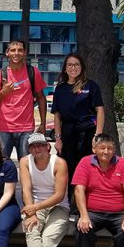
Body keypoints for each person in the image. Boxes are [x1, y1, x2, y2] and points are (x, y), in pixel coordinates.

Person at [11, 133, 70, 247]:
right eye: (33, 146)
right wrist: (32, 213)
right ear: (29, 149)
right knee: (32, 229)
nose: (37, 148)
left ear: (47, 146)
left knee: (49, 236)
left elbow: (59, 195)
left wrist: (34, 208)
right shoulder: (25, 161)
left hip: (58, 206)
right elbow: (26, 189)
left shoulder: (59, 163)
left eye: (40, 145)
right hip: (34, 205)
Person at [51, 52, 104, 206]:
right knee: (68, 169)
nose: (73, 68)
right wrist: (58, 139)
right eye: (70, 65)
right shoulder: (60, 89)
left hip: (87, 132)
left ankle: (87, 204)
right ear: (65, 68)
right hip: (68, 133)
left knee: (88, 169)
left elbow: (100, 110)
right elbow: (57, 115)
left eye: (76, 65)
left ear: (82, 67)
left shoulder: (91, 85)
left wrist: (97, 136)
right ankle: (69, 204)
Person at [0, 40, 48, 160]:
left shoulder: (33, 72)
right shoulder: (0, 74)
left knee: (27, 166)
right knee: (1, 166)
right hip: (3, 129)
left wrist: (43, 123)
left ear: (25, 53)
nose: (16, 53)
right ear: (7, 53)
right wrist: (3, 92)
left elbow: (41, 98)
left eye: (20, 50)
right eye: (13, 50)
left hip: (26, 129)